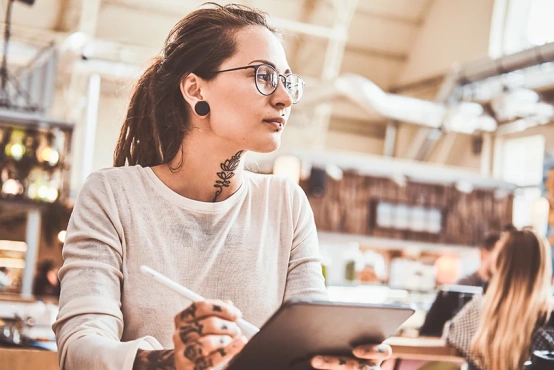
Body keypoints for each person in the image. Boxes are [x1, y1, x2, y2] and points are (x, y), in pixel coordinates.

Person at [52, 3, 392, 370]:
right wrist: (171, 362)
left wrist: (337, 359)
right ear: (196, 89)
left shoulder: (285, 203)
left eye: (287, 81)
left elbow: (304, 348)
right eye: (263, 76)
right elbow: (79, 348)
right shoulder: (113, 196)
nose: (284, 98)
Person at [446, 228, 554, 370]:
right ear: (543, 267)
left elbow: (450, 336)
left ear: (499, 264)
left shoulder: (476, 310)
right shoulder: (547, 319)